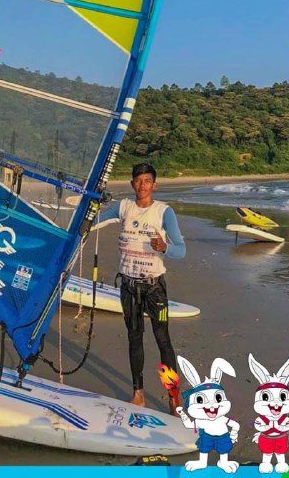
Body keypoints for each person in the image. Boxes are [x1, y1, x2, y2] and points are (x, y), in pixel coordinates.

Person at [97, 162, 186, 412]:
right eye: (138, 180)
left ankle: (173, 397)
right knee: (134, 339)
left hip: (154, 288)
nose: (142, 185)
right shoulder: (123, 207)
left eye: (147, 181)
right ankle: (138, 394)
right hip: (128, 286)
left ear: (154, 185)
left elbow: (181, 250)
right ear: (132, 183)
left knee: (163, 340)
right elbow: (94, 220)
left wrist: (164, 247)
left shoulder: (164, 212)